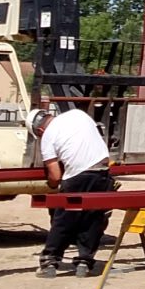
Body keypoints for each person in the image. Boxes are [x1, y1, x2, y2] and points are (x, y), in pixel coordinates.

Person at [30, 106, 115, 278]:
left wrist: (51, 185)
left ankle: (50, 261)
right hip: (102, 172)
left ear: (39, 130)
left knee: (63, 219)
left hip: (77, 176)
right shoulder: (78, 114)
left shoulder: (48, 136)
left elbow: (55, 175)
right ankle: (84, 261)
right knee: (93, 219)